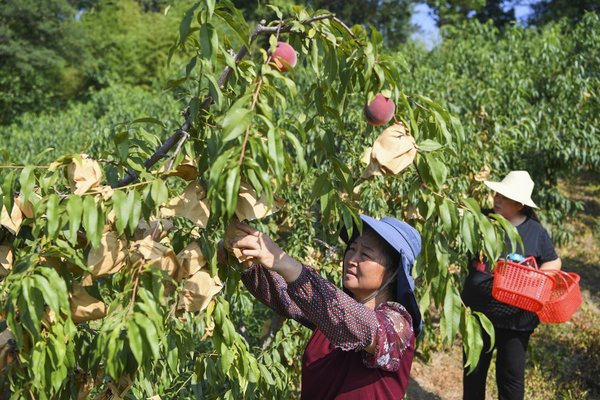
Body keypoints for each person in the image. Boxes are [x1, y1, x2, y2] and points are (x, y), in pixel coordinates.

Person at [222, 214, 422, 399]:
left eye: (365, 255)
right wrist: (246, 259)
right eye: (351, 249)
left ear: (394, 272)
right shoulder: (330, 312)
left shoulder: (399, 327)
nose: (351, 260)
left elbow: (363, 326)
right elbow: (285, 296)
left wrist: (284, 262)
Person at [461, 170, 562, 400]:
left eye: (504, 197)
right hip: (479, 314)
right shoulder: (483, 219)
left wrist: (534, 278)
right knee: (473, 372)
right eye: (497, 193)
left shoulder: (534, 231)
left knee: (510, 376)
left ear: (518, 204)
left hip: (516, 319)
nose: (496, 198)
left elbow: (554, 260)